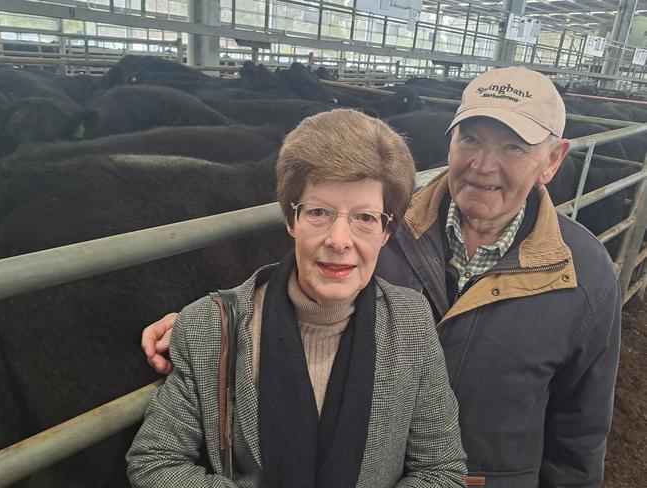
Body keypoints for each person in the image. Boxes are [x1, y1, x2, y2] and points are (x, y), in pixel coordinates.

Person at [142, 67, 622, 487]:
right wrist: (207, 321)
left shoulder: (584, 273)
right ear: (450, 138)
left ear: (554, 160)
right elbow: (296, 278)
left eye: (513, 147)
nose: (483, 166)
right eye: (470, 139)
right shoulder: (382, 217)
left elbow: (579, 430)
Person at [127, 109, 467, 487]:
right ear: (291, 220)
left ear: (387, 231)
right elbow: (154, 460)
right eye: (318, 212)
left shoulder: (411, 322)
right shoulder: (210, 327)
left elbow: (441, 470)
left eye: (365, 218)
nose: (339, 240)